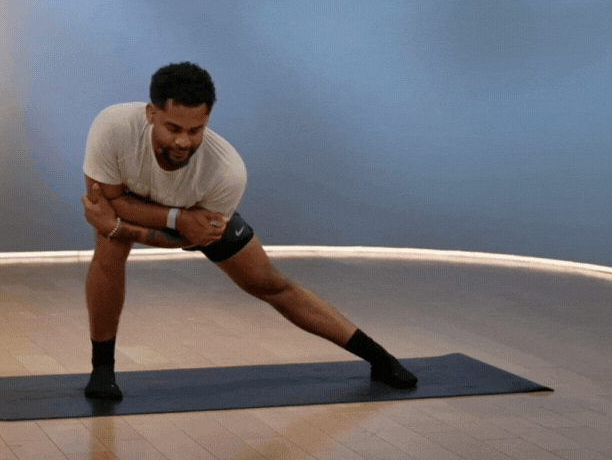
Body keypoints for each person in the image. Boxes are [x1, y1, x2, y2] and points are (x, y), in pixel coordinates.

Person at [80, 62, 417, 400]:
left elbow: (187, 238)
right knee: (109, 251)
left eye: (196, 130)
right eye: (173, 128)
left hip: (196, 218)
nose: (183, 141)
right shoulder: (114, 127)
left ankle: (380, 359)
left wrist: (140, 224)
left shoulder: (226, 171)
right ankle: (103, 371)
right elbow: (105, 204)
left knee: (269, 283)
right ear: (151, 113)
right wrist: (158, 220)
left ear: (208, 120)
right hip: (156, 210)